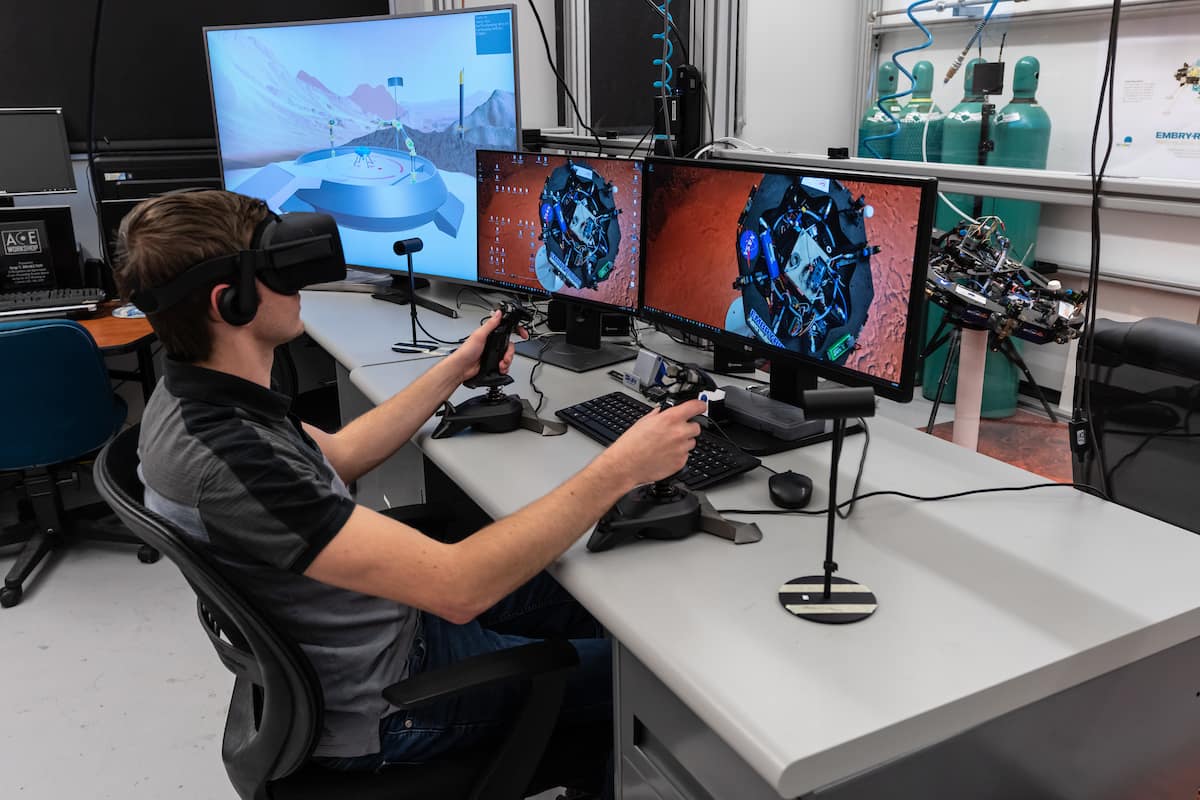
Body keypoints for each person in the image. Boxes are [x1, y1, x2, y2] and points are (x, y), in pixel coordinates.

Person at [112, 190, 704, 795]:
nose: (299, 288)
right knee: (657, 688)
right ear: (228, 301)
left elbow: (337, 457)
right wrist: (622, 466)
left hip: (375, 632)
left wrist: (454, 367)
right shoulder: (232, 460)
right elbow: (458, 587)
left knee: (598, 597)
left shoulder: (199, 398)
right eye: (279, 273)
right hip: (391, 701)